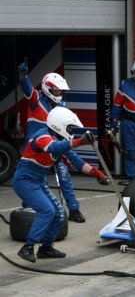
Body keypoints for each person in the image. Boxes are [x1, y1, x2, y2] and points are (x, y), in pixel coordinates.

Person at [14, 107, 109, 263]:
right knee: (47, 211)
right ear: (59, 125)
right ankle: (28, 247)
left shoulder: (61, 141)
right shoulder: (42, 135)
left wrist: (97, 174)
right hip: (24, 181)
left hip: (39, 181)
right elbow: (53, 148)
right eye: (70, 127)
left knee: (59, 213)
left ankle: (45, 248)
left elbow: (77, 162)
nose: (71, 131)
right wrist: (80, 141)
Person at [18, 62, 86, 223]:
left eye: (60, 90)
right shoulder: (36, 98)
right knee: (32, 178)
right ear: (48, 87)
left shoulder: (62, 105)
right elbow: (27, 88)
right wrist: (23, 76)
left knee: (64, 175)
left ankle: (74, 210)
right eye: (56, 89)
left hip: (56, 144)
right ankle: (28, 210)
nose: (59, 92)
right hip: (36, 147)